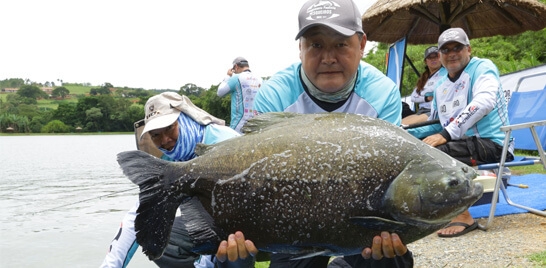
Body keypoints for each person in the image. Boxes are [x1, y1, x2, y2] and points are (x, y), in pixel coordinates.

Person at [252, 0, 413, 267]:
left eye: (340, 44)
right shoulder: (274, 95)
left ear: (361, 45)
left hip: (363, 213)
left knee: (392, 259)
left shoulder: (382, 93)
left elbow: (391, 175)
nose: (328, 58)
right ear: (300, 48)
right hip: (295, 216)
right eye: (316, 45)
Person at [100, 92, 255, 268]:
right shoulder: (174, 157)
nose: (165, 140)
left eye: (169, 128)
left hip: (252, 231)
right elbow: (141, 212)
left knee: (231, 247)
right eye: (155, 135)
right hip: (216, 229)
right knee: (159, 233)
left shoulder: (223, 142)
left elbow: (222, 219)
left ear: (184, 119)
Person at [406, 28, 514, 238]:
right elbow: (437, 125)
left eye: (457, 47)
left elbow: (484, 102)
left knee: (437, 154)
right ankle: (434, 211)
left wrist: (446, 134)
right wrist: (407, 135)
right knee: (415, 150)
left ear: (469, 49)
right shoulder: (440, 85)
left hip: (493, 143)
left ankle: (462, 215)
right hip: (462, 143)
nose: (452, 53)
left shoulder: (482, 68)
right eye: (445, 50)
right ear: (440, 55)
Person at [217, 57, 263, 133]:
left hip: (239, 126)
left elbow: (220, 92)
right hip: (257, 125)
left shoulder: (236, 78)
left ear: (236, 67)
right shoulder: (260, 79)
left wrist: (228, 76)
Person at [402, 46, 444, 125]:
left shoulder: (445, 73)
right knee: (399, 123)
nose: (433, 59)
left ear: (441, 58)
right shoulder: (424, 77)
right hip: (421, 111)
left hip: (433, 111)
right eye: (430, 57)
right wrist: (426, 98)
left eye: (436, 56)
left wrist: (423, 96)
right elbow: (413, 97)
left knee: (404, 125)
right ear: (426, 61)